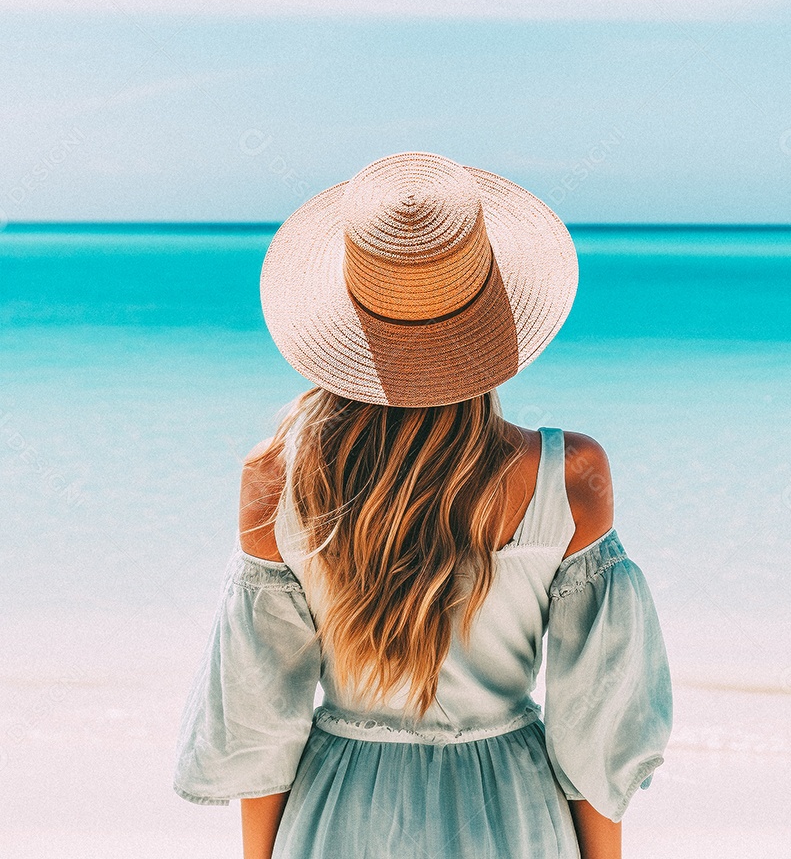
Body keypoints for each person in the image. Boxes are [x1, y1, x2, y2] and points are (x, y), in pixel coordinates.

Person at [173, 151, 673, 858]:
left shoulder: (275, 481)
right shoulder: (569, 474)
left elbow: (261, 722)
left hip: (338, 816)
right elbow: (596, 727)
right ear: (494, 316)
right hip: (511, 811)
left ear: (341, 318)